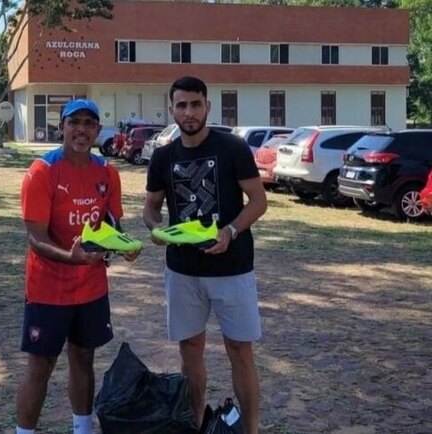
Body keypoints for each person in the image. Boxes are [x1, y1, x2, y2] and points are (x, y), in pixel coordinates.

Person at [143, 76, 267, 434]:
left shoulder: (232, 148)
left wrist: (230, 231)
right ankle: (196, 423)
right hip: (183, 271)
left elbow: (258, 201)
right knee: (190, 352)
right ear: (172, 110)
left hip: (233, 268)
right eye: (181, 105)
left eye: (196, 104)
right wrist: (156, 229)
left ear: (207, 106)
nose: (189, 112)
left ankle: (252, 429)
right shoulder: (164, 156)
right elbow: (150, 208)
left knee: (240, 351)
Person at [16, 99, 141, 434]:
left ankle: (82, 429)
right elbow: (36, 239)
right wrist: (69, 257)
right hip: (48, 289)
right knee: (40, 365)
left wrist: (123, 247)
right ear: (62, 127)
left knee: (84, 359)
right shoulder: (42, 171)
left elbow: (112, 228)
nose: (81, 130)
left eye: (89, 123)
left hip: (91, 287)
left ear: (98, 130)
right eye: (74, 122)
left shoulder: (107, 173)